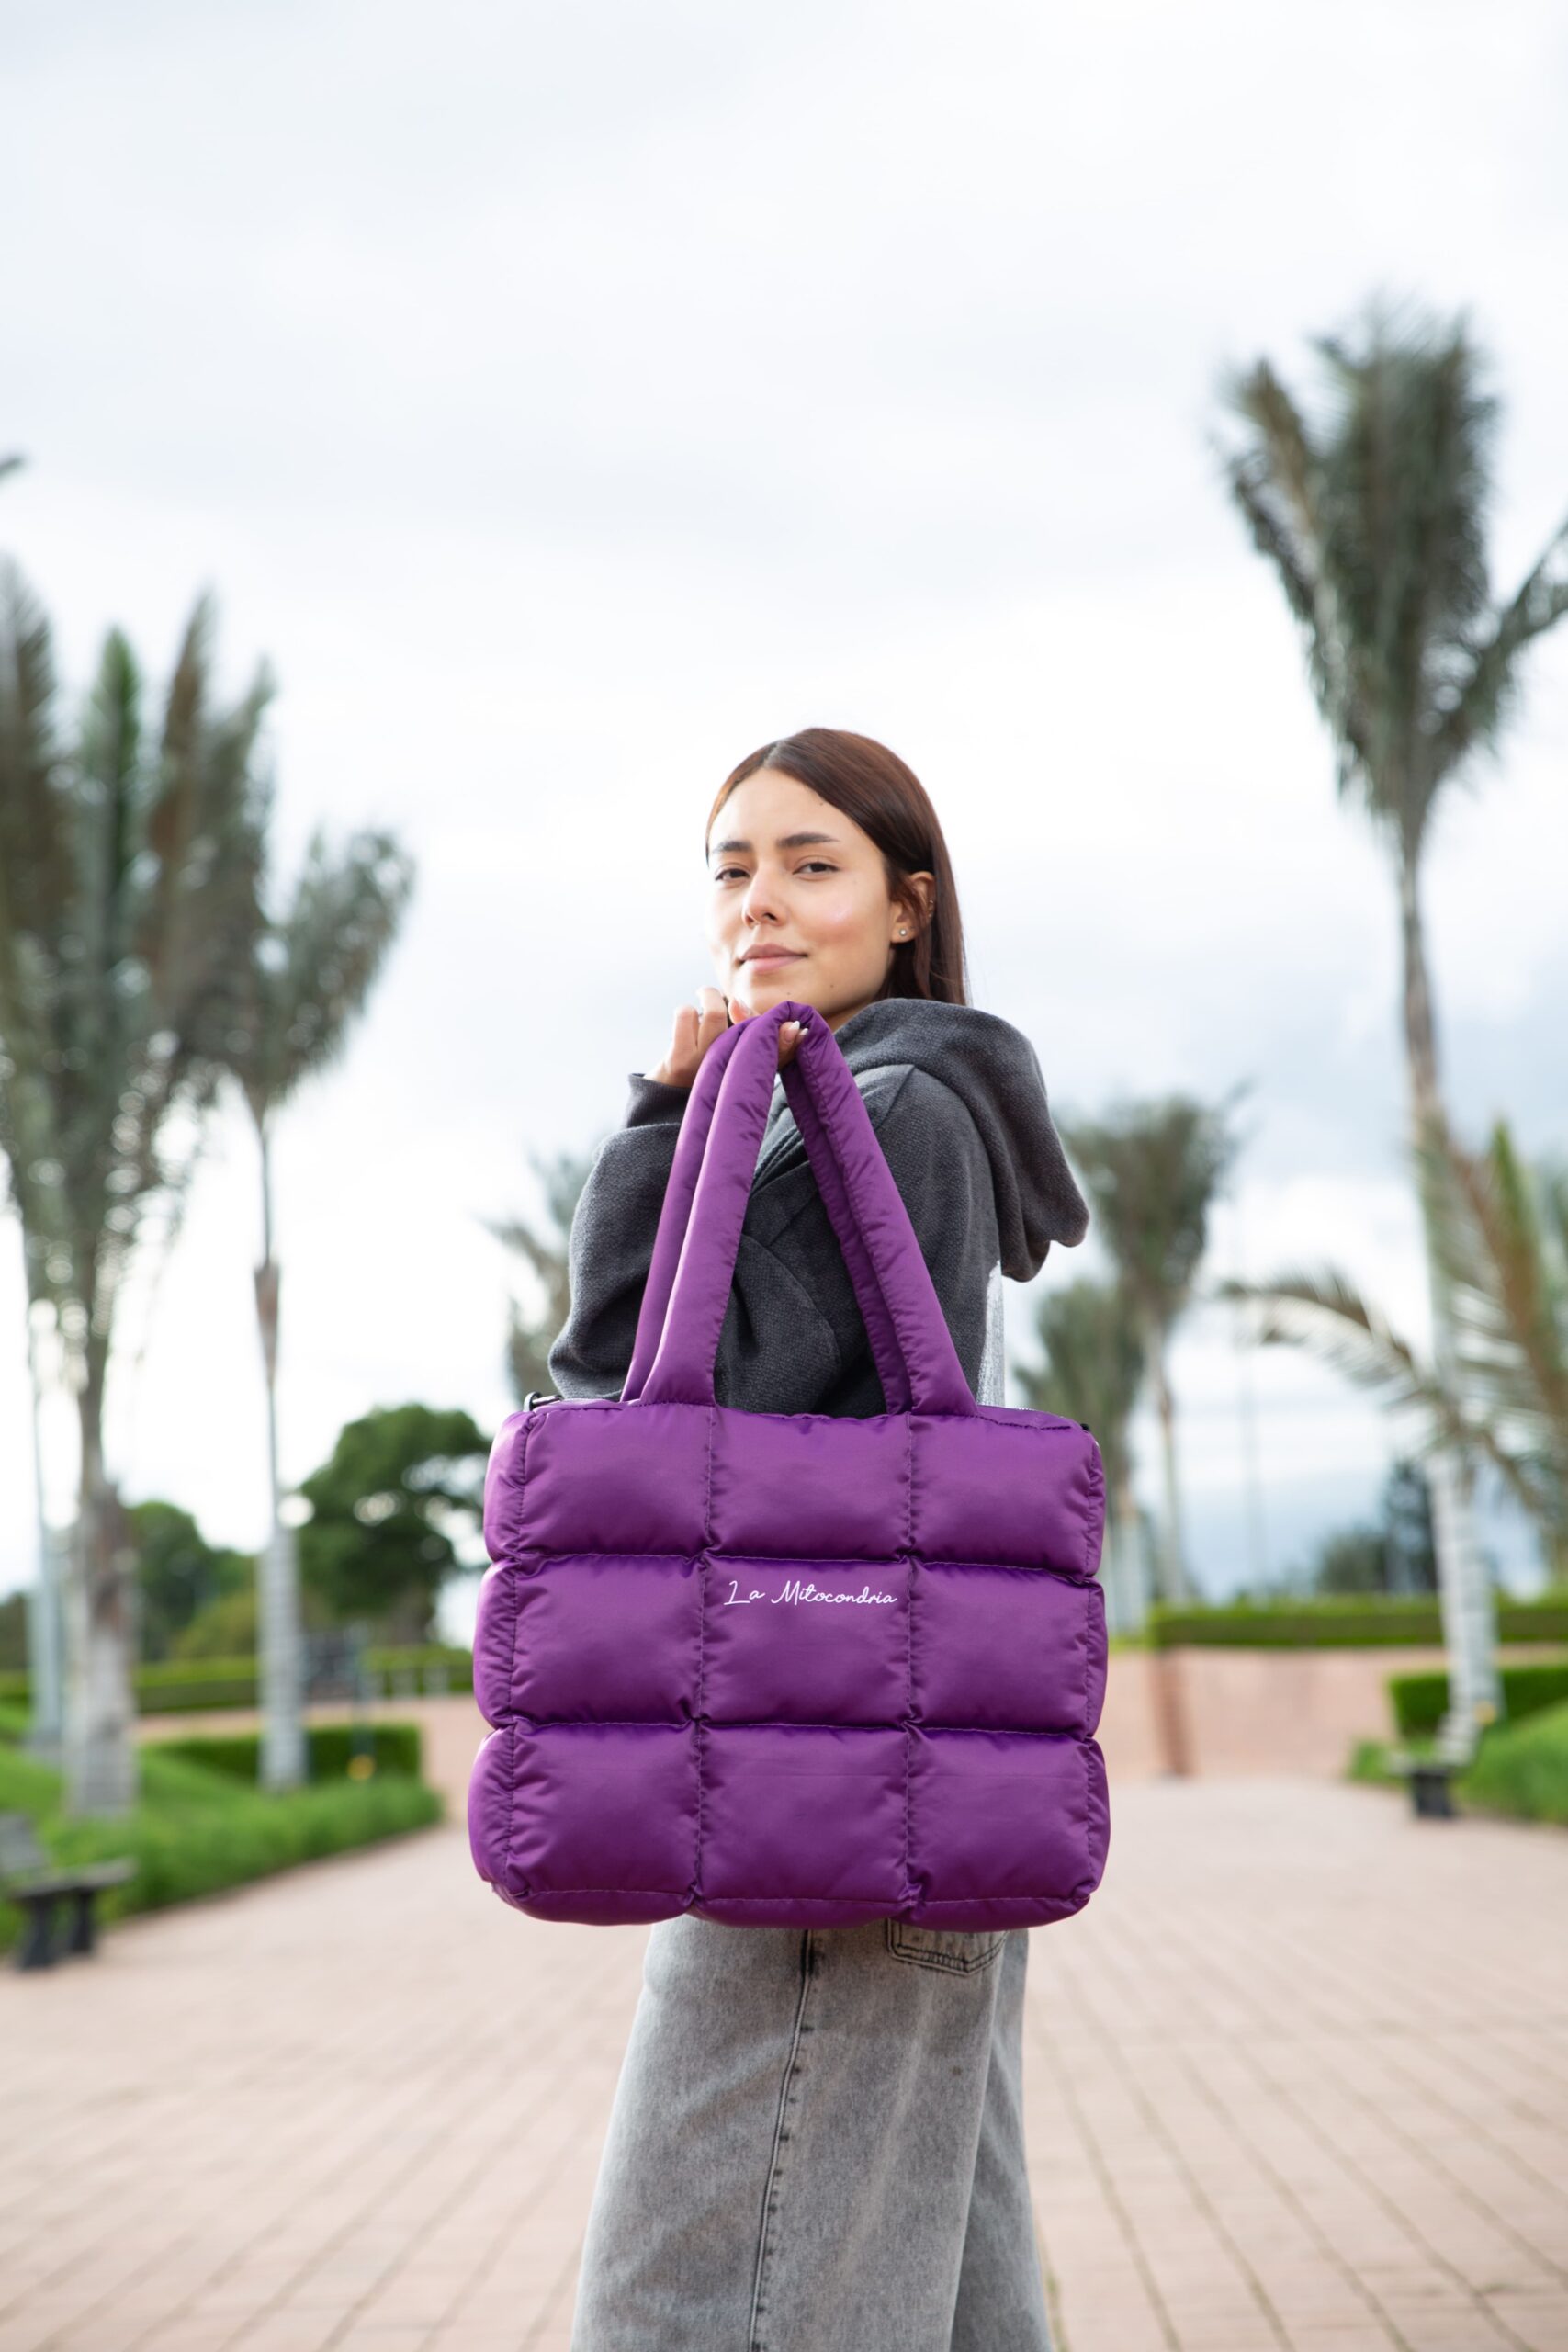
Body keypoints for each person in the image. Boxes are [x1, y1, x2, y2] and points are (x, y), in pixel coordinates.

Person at [549, 727, 1089, 2352]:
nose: (759, 902)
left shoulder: (889, 1106)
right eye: (732, 868)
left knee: (693, 2297)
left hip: (804, 1787)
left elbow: (626, 1401)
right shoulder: (880, 1100)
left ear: (908, 904)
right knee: (946, 2286)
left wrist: (656, 1124)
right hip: (897, 1772)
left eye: (810, 864)